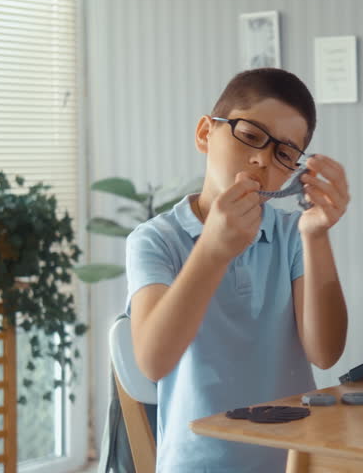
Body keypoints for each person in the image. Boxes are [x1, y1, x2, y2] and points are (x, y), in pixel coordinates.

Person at [125, 68, 350, 472]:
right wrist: (213, 249)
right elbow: (153, 361)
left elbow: (325, 352)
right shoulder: (156, 240)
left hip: (295, 460)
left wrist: (316, 235)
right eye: (249, 135)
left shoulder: (292, 235)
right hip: (197, 463)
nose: (261, 158)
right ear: (205, 134)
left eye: (284, 153)